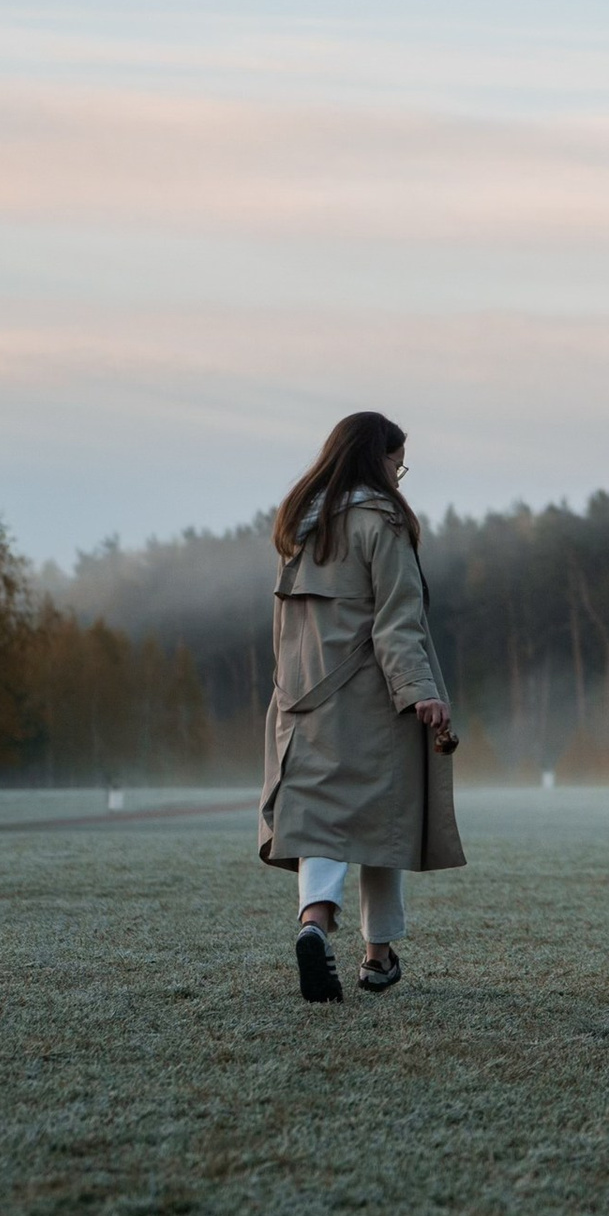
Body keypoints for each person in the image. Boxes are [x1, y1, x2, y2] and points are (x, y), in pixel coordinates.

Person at [258, 410, 463, 1003]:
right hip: (372, 700)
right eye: (398, 463)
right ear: (379, 458)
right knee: (383, 823)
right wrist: (420, 691)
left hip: (302, 701)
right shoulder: (384, 522)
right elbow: (396, 622)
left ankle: (315, 925)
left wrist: (287, 697)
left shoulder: (299, 525)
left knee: (320, 819)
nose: (401, 475)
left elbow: (284, 630)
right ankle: (378, 957)